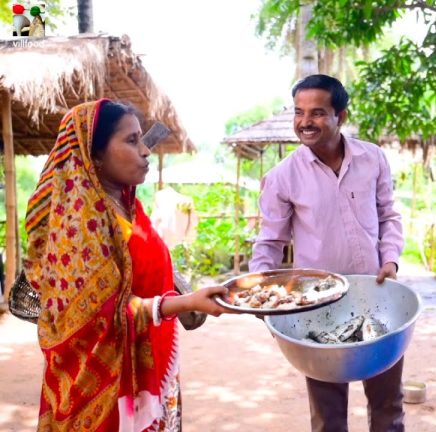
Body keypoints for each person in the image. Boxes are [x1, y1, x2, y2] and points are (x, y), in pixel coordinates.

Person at [24, 99, 232, 431]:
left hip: (149, 368)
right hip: (107, 391)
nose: (145, 151)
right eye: (131, 141)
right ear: (95, 155)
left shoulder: (128, 208)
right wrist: (184, 303)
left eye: (141, 138)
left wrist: (184, 293)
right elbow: (96, 318)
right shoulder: (79, 227)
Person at [249, 74, 405, 432]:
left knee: (388, 406)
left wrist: (390, 259)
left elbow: (388, 215)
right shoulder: (282, 176)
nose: (305, 122)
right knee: (328, 414)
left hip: (378, 295)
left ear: (341, 116)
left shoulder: (373, 158)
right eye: (299, 112)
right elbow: (270, 241)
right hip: (317, 306)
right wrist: (257, 292)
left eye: (318, 112)